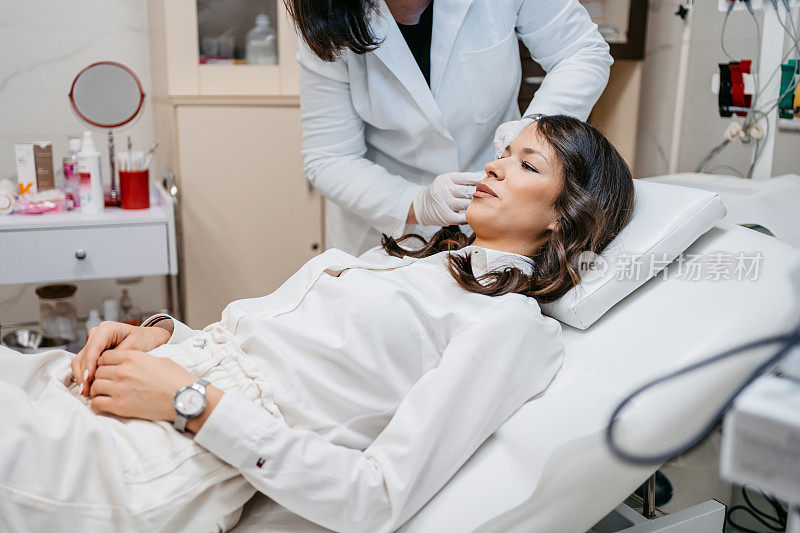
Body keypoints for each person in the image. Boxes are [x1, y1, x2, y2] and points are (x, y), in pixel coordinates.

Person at [0, 116, 633, 533]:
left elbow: (376, 498)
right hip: (127, 387)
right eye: (504, 154)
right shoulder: (410, 261)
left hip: (165, 455)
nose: (494, 166)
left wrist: (186, 402)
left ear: (563, 216)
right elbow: (261, 346)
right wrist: (161, 336)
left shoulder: (511, 324)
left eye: (528, 165)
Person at [290, 0, 614, 255]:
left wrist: (532, 130)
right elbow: (330, 158)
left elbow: (581, 52)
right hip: (386, 226)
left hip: (496, 228)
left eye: (528, 164)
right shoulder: (328, 16)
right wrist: (416, 203)